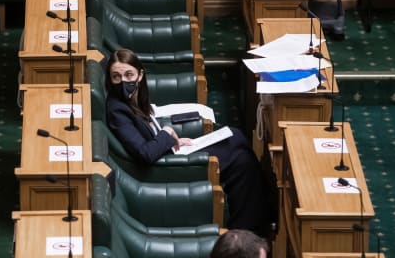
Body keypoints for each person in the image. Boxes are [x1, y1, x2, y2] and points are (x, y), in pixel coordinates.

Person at [105, 48, 274, 237]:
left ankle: (257, 212)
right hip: (162, 167)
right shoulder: (117, 110)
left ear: (140, 75)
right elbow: (144, 154)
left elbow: (147, 134)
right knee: (242, 161)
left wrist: (168, 139)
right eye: (116, 77)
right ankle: (248, 227)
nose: (123, 82)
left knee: (235, 136)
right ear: (110, 79)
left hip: (167, 151)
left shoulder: (134, 99)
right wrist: (167, 134)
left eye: (129, 75)